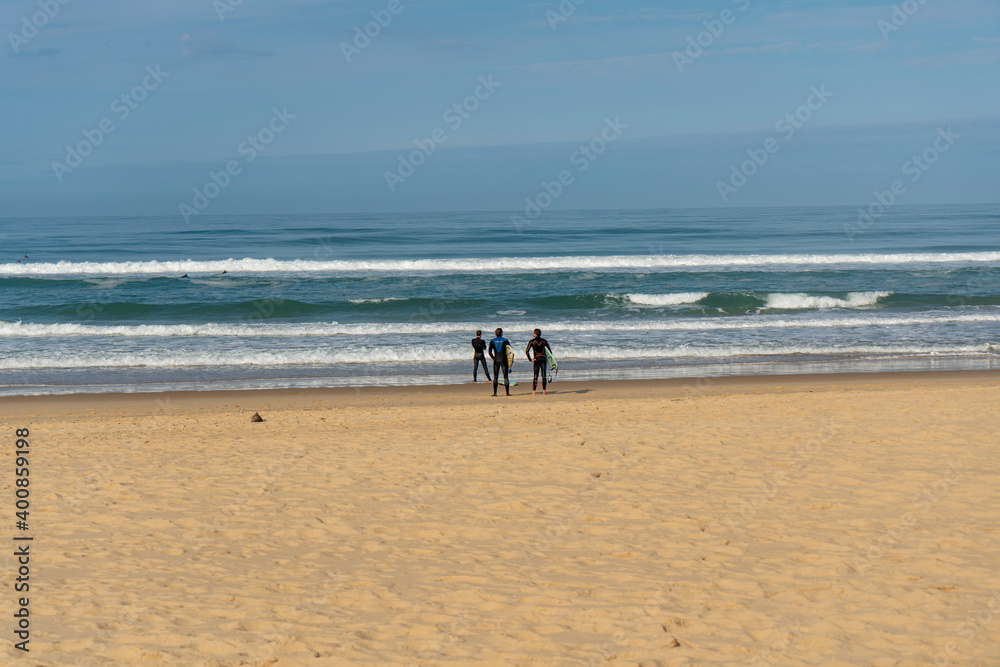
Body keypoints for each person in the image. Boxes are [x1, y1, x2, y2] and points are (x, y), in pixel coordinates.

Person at [525, 328, 551, 395]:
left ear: (535, 334)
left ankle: (534, 391)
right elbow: (550, 351)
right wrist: (549, 360)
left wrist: (530, 359)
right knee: (543, 375)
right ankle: (544, 391)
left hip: (536, 359)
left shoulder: (532, 341)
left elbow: (527, 351)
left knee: (535, 375)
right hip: (543, 359)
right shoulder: (544, 341)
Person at [488, 327, 512, 397]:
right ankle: (507, 393)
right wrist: (510, 361)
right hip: (504, 360)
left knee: (495, 377)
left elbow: (489, 352)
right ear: (501, 333)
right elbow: (510, 351)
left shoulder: (492, 341)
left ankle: (495, 393)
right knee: (505, 377)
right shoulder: (505, 340)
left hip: (496, 360)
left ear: (495, 334)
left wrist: (494, 358)